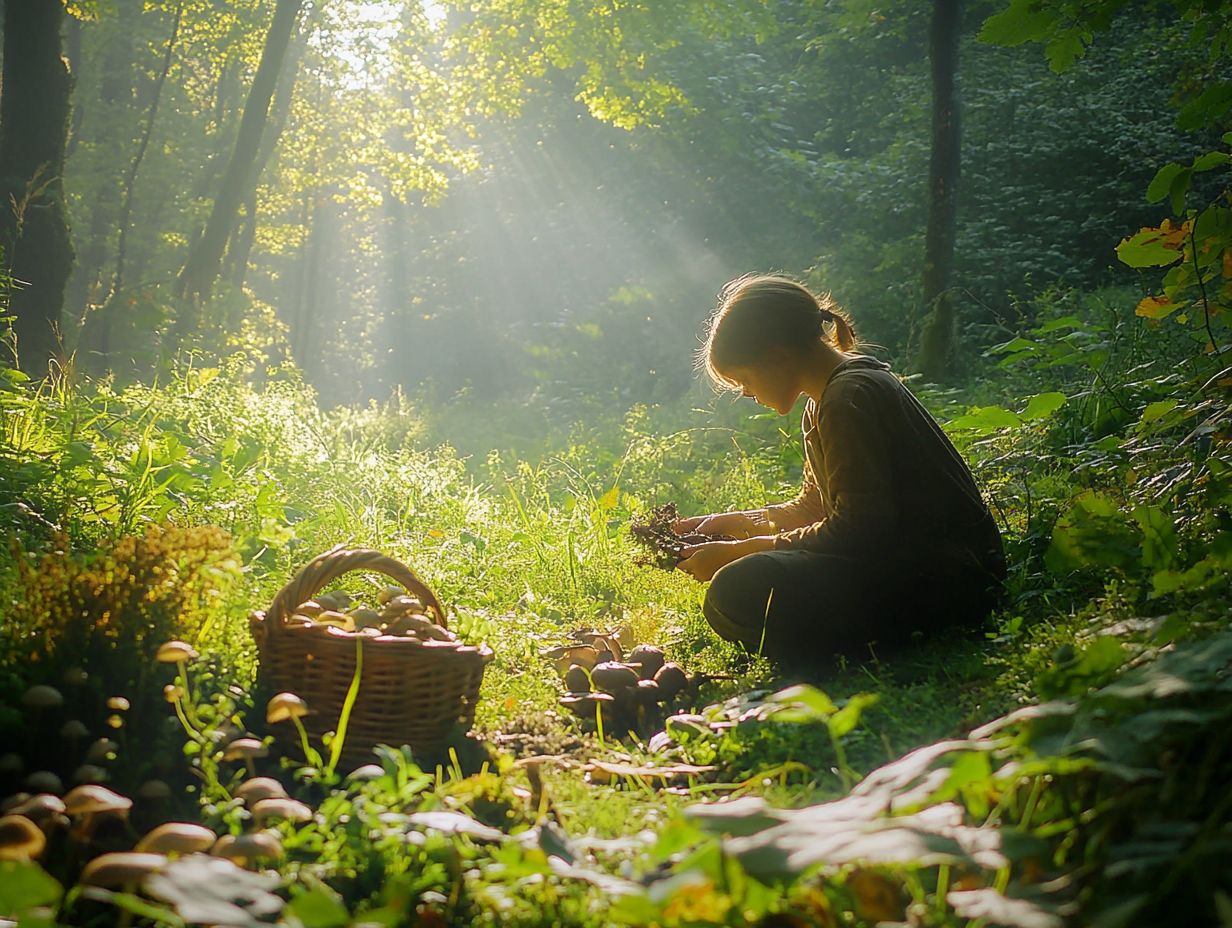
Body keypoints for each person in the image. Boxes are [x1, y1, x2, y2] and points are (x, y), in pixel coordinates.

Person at [675, 274, 1006, 665]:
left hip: (948, 577)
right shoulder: (824, 399)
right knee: (739, 586)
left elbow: (857, 528)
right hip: (918, 565)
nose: (746, 393)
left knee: (735, 589)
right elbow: (816, 507)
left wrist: (740, 551)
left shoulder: (848, 398)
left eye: (744, 380)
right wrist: (724, 523)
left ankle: (871, 650)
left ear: (778, 355)